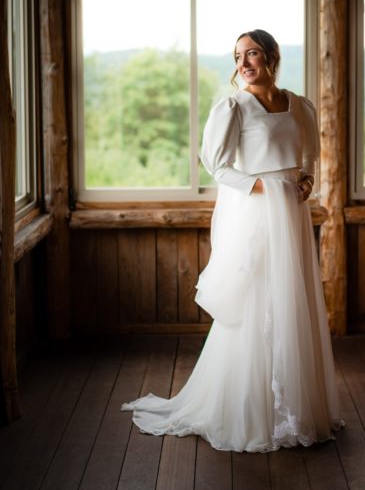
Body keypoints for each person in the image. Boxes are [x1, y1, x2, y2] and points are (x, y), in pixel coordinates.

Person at [122, 29, 344, 452]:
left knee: (291, 299)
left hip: (291, 216)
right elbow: (216, 165)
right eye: (238, 56)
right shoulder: (233, 106)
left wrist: (306, 181)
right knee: (257, 299)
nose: (243, 63)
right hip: (257, 215)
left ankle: (297, 410)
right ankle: (252, 411)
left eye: (253, 54)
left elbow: (309, 155)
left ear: (272, 57)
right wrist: (264, 188)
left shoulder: (300, 106)